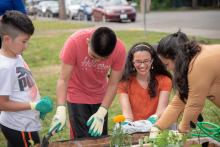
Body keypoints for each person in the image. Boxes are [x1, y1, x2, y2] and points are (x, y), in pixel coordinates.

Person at [49, 27, 126, 139]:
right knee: (83, 140)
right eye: (94, 56)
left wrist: (102, 111)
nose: (97, 61)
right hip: (77, 93)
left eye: (103, 58)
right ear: (88, 42)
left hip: (100, 95)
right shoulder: (74, 42)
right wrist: (61, 108)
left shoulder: (119, 49)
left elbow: (113, 83)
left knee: (100, 138)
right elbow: (63, 79)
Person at [150, 30, 220, 137]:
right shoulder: (194, 58)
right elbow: (179, 102)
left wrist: (181, 132)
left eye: (167, 64)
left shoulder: (199, 64)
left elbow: (195, 104)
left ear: (176, 57)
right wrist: (158, 127)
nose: (168, 69)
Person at [0, 10, 53, 146]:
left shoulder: (16, 54)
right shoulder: (4, 67)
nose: (26, 46)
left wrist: (38, 104)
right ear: (7, 39)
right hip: (21, 127)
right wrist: (34, 105)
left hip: (25, 123)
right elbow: (2, 104)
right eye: (23, 41)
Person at [117, 42, 172, 133]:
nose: (142, 65)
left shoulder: (164, 80)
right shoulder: (124, 83)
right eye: (138, 61)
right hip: (135, 128)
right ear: (132, 62)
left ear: (152, 60)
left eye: (146, 61)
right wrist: (127, 123)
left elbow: (161, 110)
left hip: (158, 126)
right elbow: (127, 113)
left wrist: (152, 119)